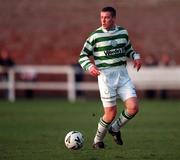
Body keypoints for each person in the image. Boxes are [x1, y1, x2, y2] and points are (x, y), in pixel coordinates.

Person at [78, 6, 142, 149]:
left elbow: (128, 49)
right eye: (101, 17)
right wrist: (90, 66)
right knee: (110, 113)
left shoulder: (123, 32)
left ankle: (114, 129)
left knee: (133, 108)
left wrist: (136, 57)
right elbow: (82, 56)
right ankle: (97, 141)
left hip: (122, 74)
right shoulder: (95, 36)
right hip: (105, 76)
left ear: (113, 18)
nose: (103, 20)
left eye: (106, 17)